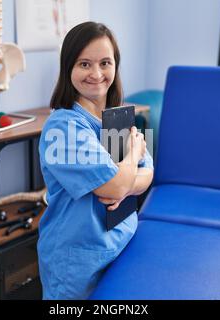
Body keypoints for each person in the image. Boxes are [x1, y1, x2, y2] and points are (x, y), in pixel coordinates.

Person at [38, 21, 154, 300]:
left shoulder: (117, 117)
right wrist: (133, 155)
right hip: (78, 262)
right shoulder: (62, 126)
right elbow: (114, 187)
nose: (96, 73)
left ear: (115, 66)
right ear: (69, 68)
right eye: (84, 64)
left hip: (122, 243)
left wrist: (124, 183)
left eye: (105, 62)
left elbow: (149, 174)